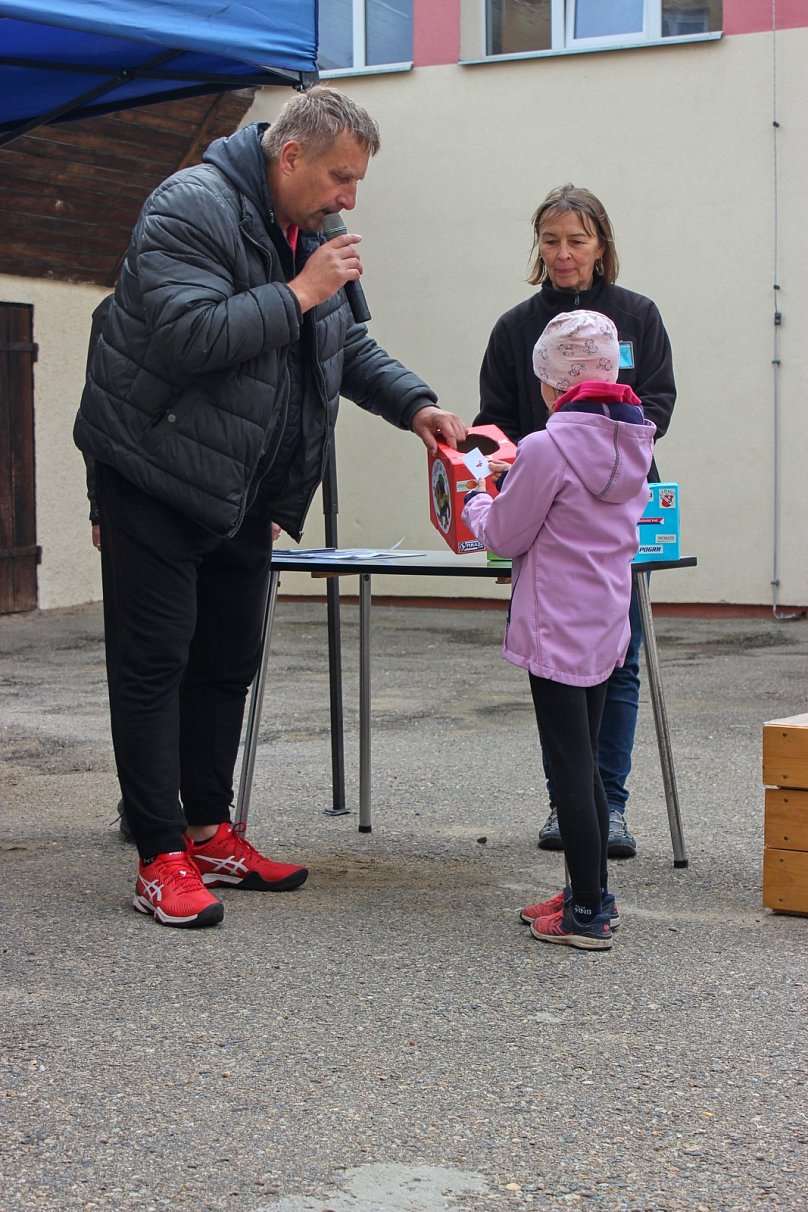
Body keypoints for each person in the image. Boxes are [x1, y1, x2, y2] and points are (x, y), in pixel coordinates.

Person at [73, 86, 466, 928]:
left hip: (245, 488)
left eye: (355, 182)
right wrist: (299, 290)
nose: (348, 198)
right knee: (154, 667)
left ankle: (208, 832)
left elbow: (343, 343)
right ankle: (159, 857)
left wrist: (416, 406)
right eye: (339, 177)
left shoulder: (310, 229)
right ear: (290, 156)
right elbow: (189, 335)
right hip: (155, 474)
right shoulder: (189, 205)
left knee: (226, 663)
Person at [475, 184, 676, 859]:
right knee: (557, 666)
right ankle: (568, 805)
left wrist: (605, 444)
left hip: (619, 510)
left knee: (620, 661)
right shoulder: (514, 328)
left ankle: (608, 805)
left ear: (601, 245)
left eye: (577, 240)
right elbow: (494, 421)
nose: (563, 253)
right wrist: (532, 466)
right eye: (551, 240)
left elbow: (658, 403)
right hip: (544, 517)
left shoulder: (638, 315)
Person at [463, 311, 655, 949]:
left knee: (569, 768)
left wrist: (477, 498)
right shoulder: (634, 442)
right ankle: (587, 888)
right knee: (588, 763)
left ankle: (588, 915)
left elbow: (505, 533)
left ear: (551, 384)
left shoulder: (546, 446)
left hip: (553, 626)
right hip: (604, 619)